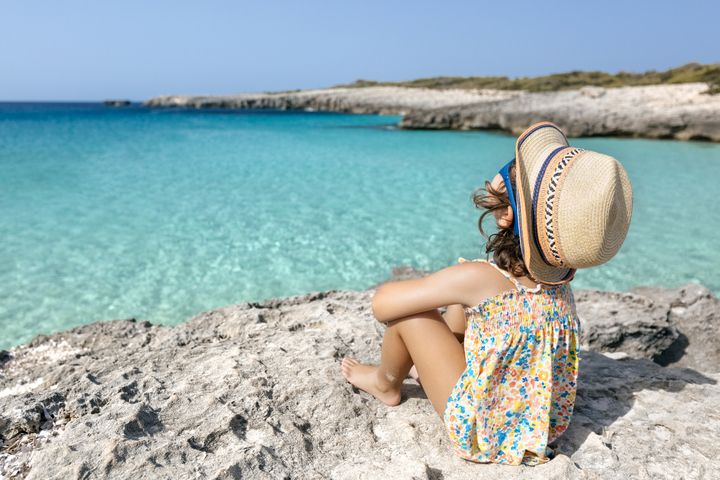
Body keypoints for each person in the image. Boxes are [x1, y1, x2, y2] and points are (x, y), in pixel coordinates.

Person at [340, 121, 633, 465]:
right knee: (462, 317)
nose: (507, 170)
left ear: (506, 214)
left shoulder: (478, 279)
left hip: (482, 431)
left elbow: (382, 305)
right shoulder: (558, 283)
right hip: (540, 427)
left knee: (412, 314)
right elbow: (468, 331)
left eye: (514, 175)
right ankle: (420, 367)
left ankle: (385, 382)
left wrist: (448, 287)